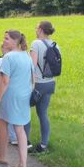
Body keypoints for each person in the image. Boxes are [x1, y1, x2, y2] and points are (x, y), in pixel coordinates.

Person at [0, 30, 33, 167]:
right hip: (24, 95)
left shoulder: (8, 57)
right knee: (20, 128)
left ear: (14, 41)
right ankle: (23, 164)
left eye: (6, 39)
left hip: (10, 95)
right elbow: (33, 79)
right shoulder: (26, 55)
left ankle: (1, 155)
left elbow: (4, 81)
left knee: (2, 122)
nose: (4, 40)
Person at [26, 21, 59, 153]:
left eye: (36, 28)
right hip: (50, 83)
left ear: (40, 29)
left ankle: (26, 142)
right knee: (43, 113)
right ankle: (44, 145)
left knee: (25, 111)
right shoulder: (55, 44)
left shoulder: (36, 43)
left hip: (37, 84)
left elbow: (32, 65)